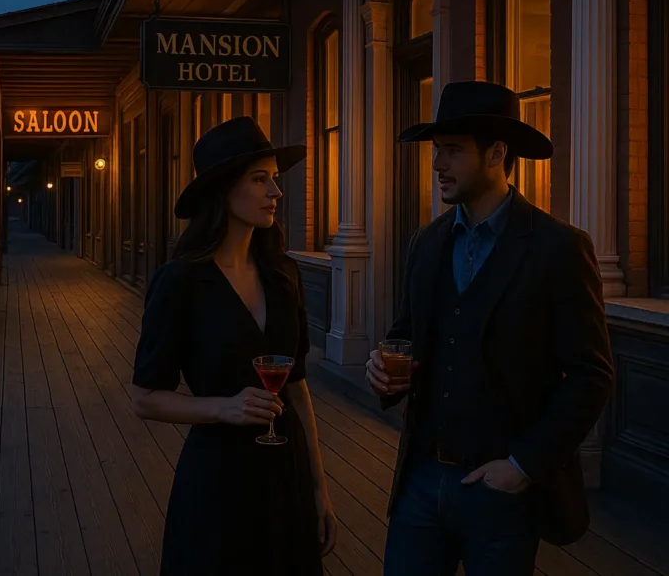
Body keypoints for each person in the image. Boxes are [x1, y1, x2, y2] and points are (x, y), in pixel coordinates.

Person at [365, 80, 615, 575]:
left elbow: (592, 375)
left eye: (452, 152)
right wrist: (384, 370)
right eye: (437, 152)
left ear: (498, 153)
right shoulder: (427, 242)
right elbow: (406, 339)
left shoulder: (557, 248)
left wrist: (522, 467)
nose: (437, 165)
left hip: (500, 493)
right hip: (420, 479)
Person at [130, 116, 336, 575]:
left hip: (287, 475)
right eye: (260, 180)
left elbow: (297, 389)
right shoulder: (180, 282)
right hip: (219, 481)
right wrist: (225, 408)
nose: (275, 193)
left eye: (275, 181)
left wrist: (318, 488)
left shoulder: (284, 276)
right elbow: (144, 398)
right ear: (224, 189)